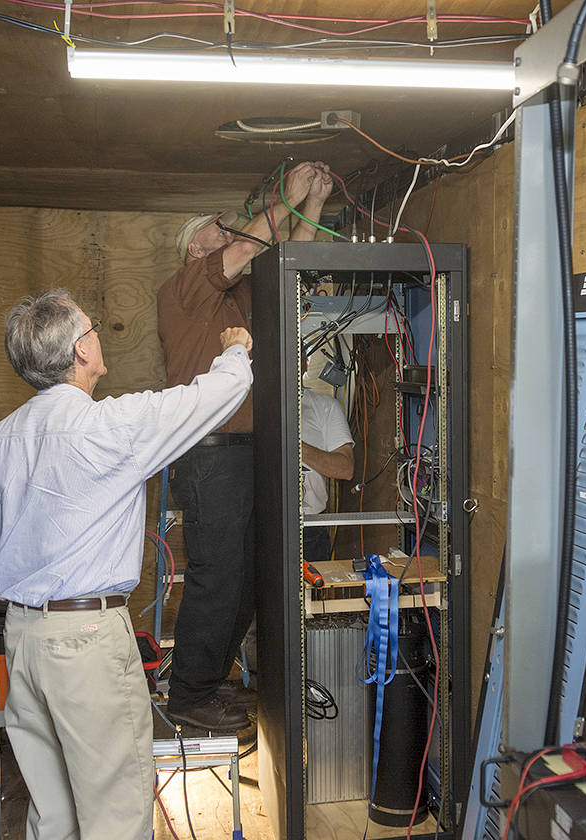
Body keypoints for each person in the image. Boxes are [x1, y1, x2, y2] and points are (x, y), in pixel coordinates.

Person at [0, 288, 253, 840]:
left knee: (52, 815)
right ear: (81, 351)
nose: (99, 336)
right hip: (86, 641)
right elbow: (220, 393)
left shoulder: (1, 437)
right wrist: (237, 347)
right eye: (93, 328)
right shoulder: (110, 427)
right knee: (116, 819)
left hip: (22, 639)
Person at [158, 160, 333, 731]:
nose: (229, 233)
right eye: (217, 228)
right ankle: (187, 696)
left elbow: (293, 259)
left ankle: (209, 684)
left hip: (247, 449)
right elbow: (250, 241)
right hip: (210, 453)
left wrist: (313, 204)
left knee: (252, 573)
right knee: (217, 573)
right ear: (195, 251)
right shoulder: (185, 289)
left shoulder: (239, 297)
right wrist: (287, 192)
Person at [301, 354, 355, 567]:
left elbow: (346, 468)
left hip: (310, 528)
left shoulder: (324, 407)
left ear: (305, 363)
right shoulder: (249, 404)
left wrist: (296, 447)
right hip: (262, 524)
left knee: (312, 597)